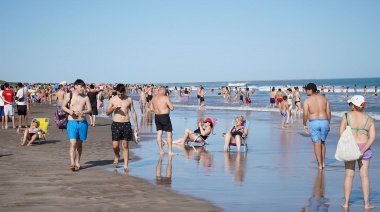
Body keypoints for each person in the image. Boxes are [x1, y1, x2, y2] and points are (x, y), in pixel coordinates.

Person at [339, 95, 376, 210]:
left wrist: (351, 146)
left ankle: (346, 203)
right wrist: (363, 150)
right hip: (364, 147)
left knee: (349, 175)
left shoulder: (346, 116)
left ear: (354, 105)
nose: (350, 106)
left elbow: (341, 133)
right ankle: (366, 204)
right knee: (364, 175)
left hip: (350, 147)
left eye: (350, 104)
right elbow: (373, 137)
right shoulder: (369, 119)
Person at [106, 83, 139, 172]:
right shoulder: (113, 99)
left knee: (125, 145)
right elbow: (107, 112)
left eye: (122, 94)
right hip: (116, 123)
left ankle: (125, 165)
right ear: (116, 91)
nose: (120, 95)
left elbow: (133, 112)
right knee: (115, 145)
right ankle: (117, 156)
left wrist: (136, 125)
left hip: (126, 123)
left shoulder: (129, 99)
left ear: (124, 91)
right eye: (119, 94)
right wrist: (113, 108)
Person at [61, 79, 92, 172]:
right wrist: (70, 111)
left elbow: (90, 109)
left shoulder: (85, 97)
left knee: (79, 144)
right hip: (71, 122)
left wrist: (83, 111)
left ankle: (78, 161)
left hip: (82, 123)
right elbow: (63, 106)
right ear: (76, 86)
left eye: (84, 87)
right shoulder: (69, 95)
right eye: (81, 87)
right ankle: (72, 163)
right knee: (73, 143)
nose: (83, 89)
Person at [303, 83, 331, 169]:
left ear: (310, 90)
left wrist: (304, 124)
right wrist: (328, 123)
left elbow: (305, 114)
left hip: (313, 122)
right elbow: (328, 112)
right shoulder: (324, 99)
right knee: (322, 142)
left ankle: (319, 164)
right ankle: (323, 163)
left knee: (317, 143)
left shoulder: (307, 100)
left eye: (306, 90)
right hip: (324, 121)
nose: (306, 91)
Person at [150, 86, 177, 155]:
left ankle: (161, 151)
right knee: (169, 133)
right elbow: (172, 108)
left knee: (159, 133)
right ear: (164, 91)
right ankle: (170, 151)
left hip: (157, 116)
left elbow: (151, 109)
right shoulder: (165, 98)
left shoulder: (153, 98)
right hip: (164, 116)